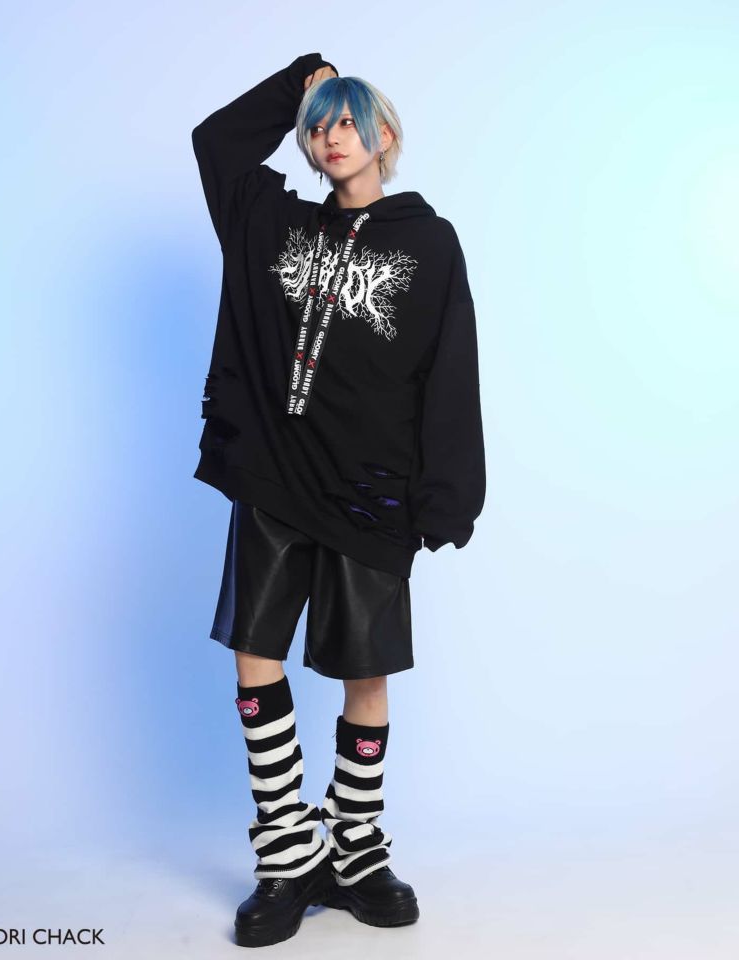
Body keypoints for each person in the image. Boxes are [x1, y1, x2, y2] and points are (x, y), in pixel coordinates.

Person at [190, 52, 486, 947]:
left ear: (384, 136)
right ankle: (287, 853)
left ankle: (355, 851)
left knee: (367, 673)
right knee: (254, 653)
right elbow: (216, 143)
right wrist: (303, 80)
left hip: (370, 491)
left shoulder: (429, 243)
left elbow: (450, 370)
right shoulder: (272, 224)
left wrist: (447, 495)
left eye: (348, 120)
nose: (330, 136)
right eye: (319, 126)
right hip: (276, 479)